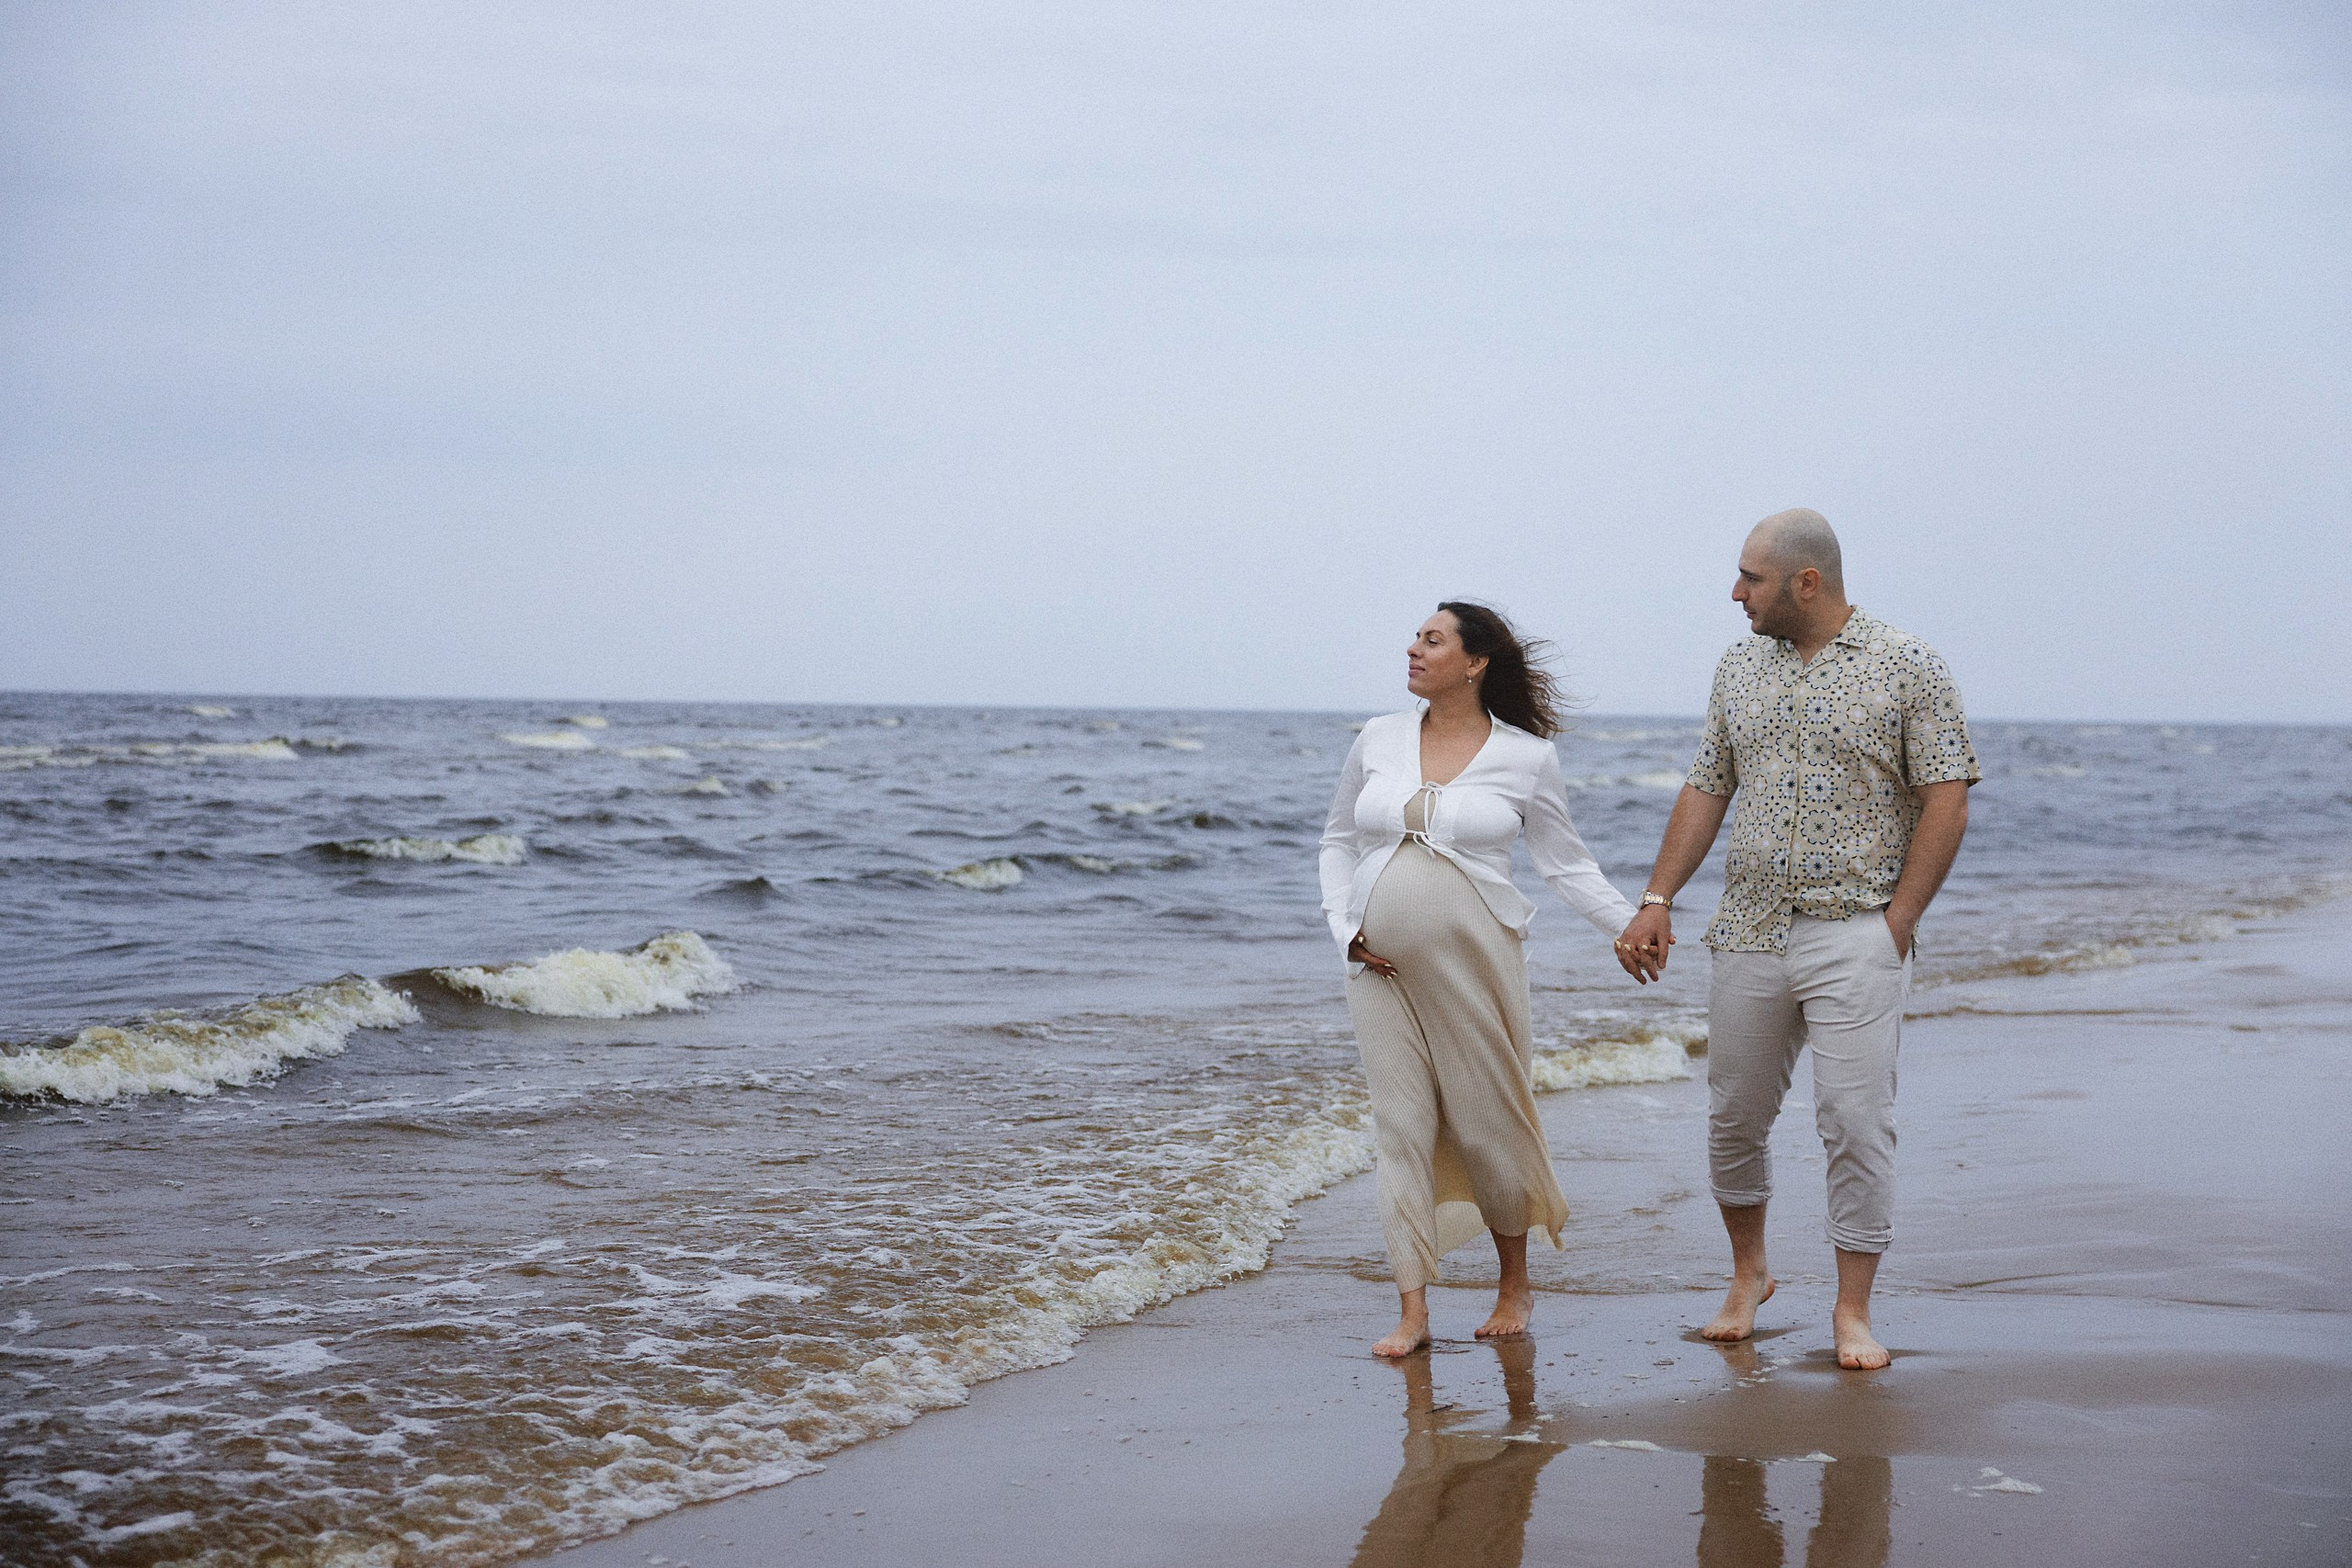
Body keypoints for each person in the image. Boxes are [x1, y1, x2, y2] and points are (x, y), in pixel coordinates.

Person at [1616, 508, 1978, 1370]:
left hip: (1857, 930)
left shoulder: (1909, 663)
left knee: (1855, 1122)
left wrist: (1898, 924)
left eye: (1751, 578)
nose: (1735, 592)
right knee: (1733, 1117)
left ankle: (1853, 1311)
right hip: (1749, 928)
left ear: (1805, 582)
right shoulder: (1738, 667)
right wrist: (1657, 898)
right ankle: (1750, 1274)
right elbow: (1707, 786)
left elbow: (1947, 796)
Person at [1320, 602, 1638, 1358]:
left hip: (1477, 964)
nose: (1413, 648)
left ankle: (1513, 1284)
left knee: (1489, 1119)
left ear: (1474, 662)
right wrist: (1346, 929)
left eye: (1432, 640)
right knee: (1401, 1127)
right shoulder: (1378, 737)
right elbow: (1337, 840)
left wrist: (1631, 921)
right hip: (1378, 966)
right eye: (1415, 636)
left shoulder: (1527, 757)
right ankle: (1412, 1308)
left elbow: (1566, 864)